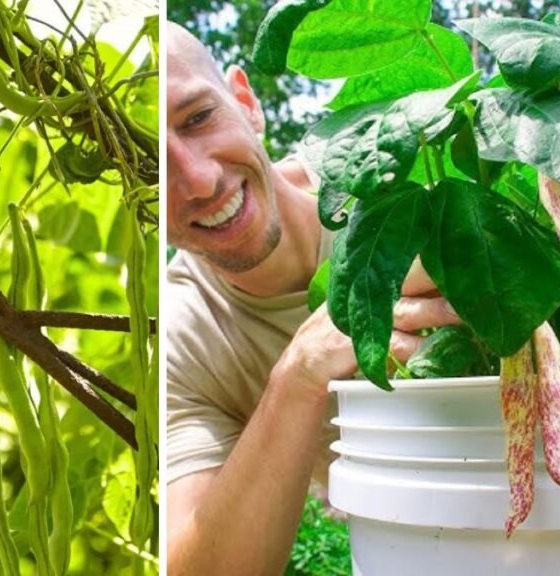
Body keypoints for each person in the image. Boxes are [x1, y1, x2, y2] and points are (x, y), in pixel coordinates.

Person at [165, 22, 461, 574]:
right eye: (156, 167)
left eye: (199, 119)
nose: (200, 181)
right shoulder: (186, 336)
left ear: (247, 103)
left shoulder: (394, 166)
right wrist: (299, 374)